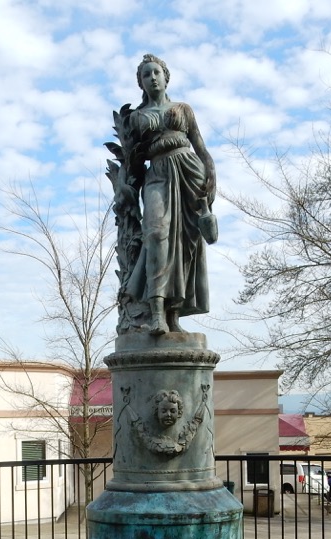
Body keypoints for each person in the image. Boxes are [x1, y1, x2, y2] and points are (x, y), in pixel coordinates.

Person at [119, 54, 216, 335]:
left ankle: (174, 316)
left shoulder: (183, 109)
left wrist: (211, 174)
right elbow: (132, 162)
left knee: (186, 246)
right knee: (157, 236)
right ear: (141, 83)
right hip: (158, 176)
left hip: (188, 172)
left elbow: (200, 145)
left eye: (156, 72)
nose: (152, 77)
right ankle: (157, 313)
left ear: (166, 76)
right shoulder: (136, 117)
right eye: (146, 75)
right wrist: (127, 189)